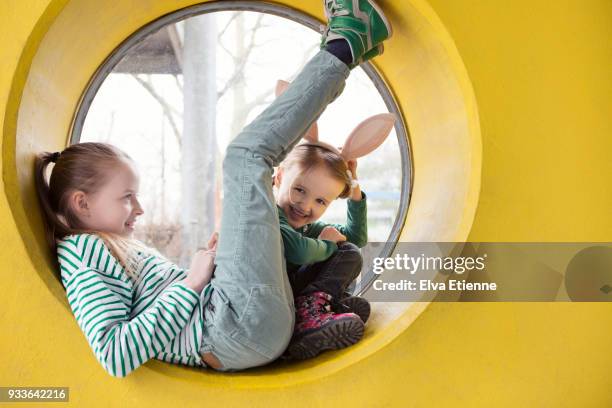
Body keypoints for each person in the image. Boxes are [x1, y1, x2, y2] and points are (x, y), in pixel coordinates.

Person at [34, 0, 392, 376]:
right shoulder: (79, 251)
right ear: (82, 203)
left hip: (238, 322)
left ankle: (316, 314)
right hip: (229, 328)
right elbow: (115, 354)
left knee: (316, 229)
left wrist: (213, 262)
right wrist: (191, 282)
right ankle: (345, 46)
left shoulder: (109, 246)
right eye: (126, 197)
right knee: (244, 157)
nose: (139, 208)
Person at [271, 103, 396, 359]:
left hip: (291, 295)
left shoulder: (307, 227)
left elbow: (356, 236)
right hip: (276, 301)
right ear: (280, 178)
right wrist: (327, 244)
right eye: (300, 190)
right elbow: (296, 251)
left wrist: (355, 191)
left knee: (348, 251)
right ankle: (310, 318)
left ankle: (325, 309)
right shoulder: (270, 216)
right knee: (339, 250)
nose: (305, 206)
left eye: (320, 201)